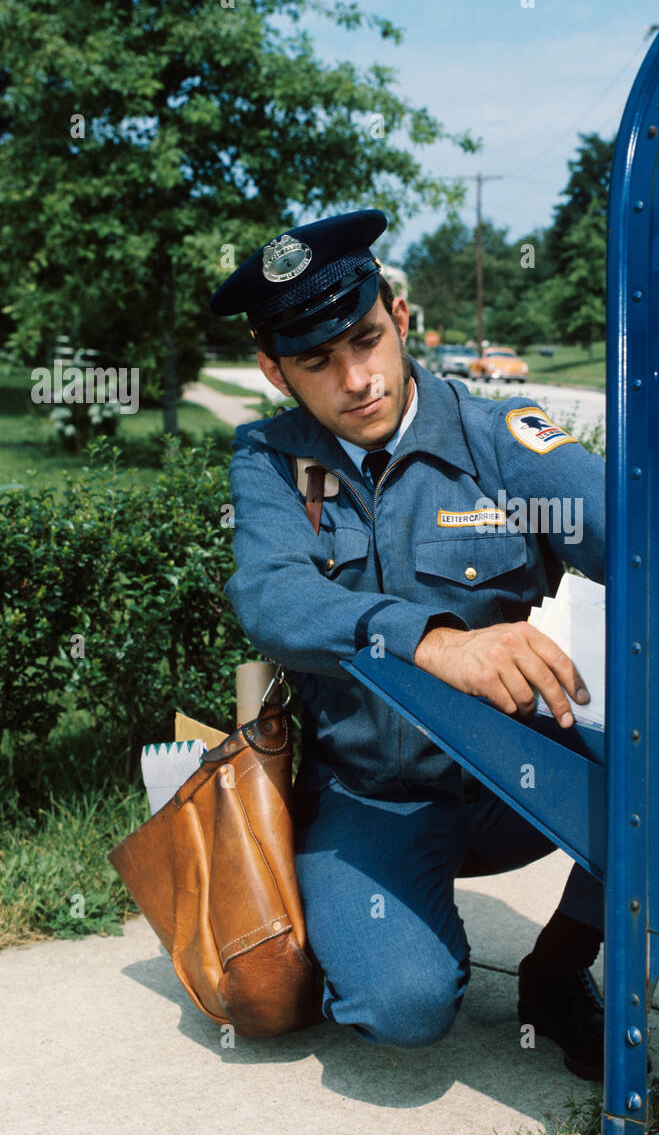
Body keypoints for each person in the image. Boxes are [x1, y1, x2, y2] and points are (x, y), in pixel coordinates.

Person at [209, 209, 607, 1078]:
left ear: (395, 313)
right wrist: (431, 642)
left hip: (517, 781)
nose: (357, 379)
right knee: (403, 1010)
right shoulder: (271, 463)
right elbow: (271, 596)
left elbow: (640, 541)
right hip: (372, 795)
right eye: (318, 362)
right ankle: (355, 925)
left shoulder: (499, 436)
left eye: (365, 338)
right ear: (274, 371)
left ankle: (555, 971)